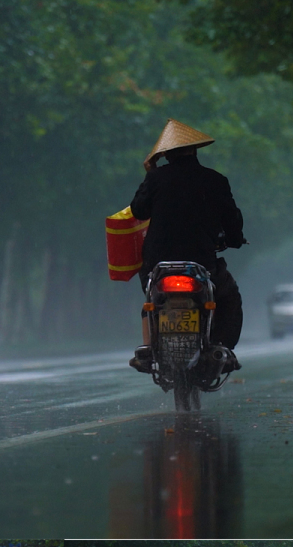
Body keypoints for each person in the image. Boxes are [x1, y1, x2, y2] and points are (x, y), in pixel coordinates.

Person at [128, 118, 246, 373]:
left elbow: (138, 210)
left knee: (152, 295)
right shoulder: (215, 180)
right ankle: (222, 348)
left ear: (165, 153)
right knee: (229, 296)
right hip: (202, 262)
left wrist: (150, 175)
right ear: (195, 149)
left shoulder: (157, 178)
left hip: (158, 262)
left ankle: (148, 347)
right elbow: (232, 220)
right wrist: (235, 240)